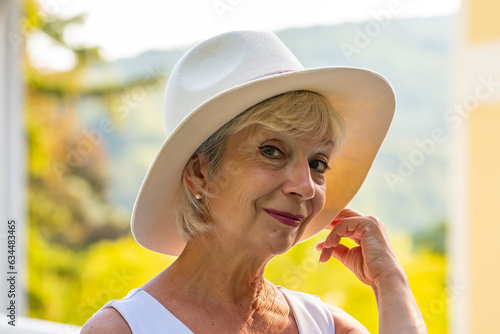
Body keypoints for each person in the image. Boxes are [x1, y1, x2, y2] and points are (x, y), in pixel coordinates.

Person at [81, 30, 427, 333]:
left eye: (318, 163)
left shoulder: (327, 327)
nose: (306, 186)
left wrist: (390, 282)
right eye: (272, 151)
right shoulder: (122, 330)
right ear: (201, 173)